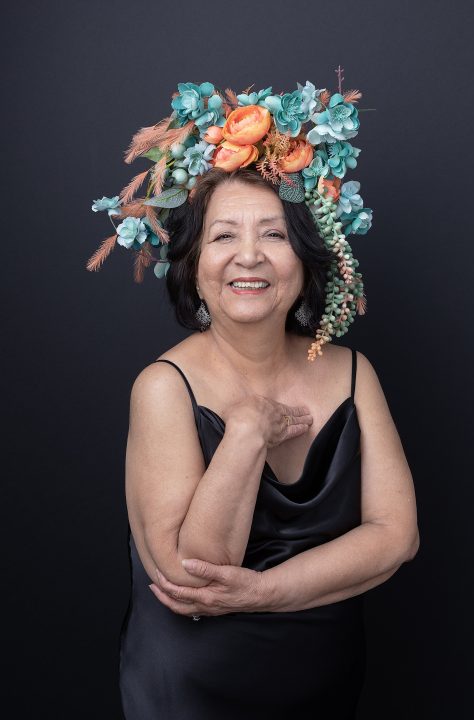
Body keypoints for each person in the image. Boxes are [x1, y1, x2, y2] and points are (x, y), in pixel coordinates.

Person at [87, 77, 419, 718]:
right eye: (222, 236)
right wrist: (244, 434)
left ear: (307, 255)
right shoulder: (163, 388)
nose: (249, 258)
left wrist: (266, 591)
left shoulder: (354, 372)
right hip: (194, 692)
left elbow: (396, 535)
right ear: (191, 266)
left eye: (273, 234)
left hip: (325, 685)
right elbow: (192, 576)